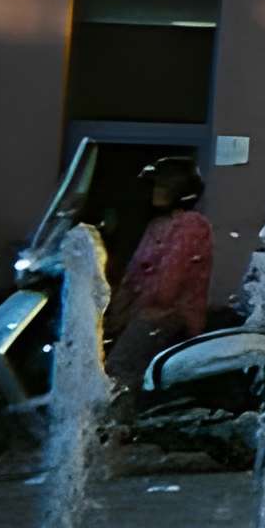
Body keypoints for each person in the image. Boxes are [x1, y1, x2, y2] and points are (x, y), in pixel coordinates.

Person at [106, 158, 214, 385]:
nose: (156, 191)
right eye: (156, 186)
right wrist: (116, 310)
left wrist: (132, 309)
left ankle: (118, 418)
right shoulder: (157, 224)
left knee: (120, 369)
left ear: (180, 191)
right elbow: (133, 275)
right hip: (145, 312)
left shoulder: (191, 225)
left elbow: (167, 285)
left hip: (169, 315)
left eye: (163, 186)